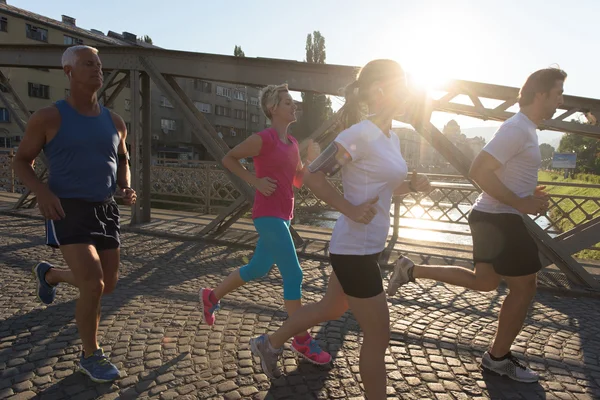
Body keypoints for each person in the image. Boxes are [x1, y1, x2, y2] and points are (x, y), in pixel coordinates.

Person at [249, 60, 431, 399]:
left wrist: (413, 185)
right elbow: (314, 175)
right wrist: (348, 209)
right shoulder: (359, 135)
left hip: (363, 247)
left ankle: (268, 343)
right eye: (403, 85)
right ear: (381, 90)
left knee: (330, 309)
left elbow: (383, 190)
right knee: (378, 337)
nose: (410, 92)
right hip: (355, 253)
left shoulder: (389, 137)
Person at [387, 67, 565, 383]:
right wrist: (521, 202)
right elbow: (479, 170)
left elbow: (500, 174)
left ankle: (410, 270)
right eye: (558, 93)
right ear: (541, 94)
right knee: (525, 286)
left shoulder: (525, 129)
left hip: (492, 215)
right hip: (499, 217)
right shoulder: (518, 129)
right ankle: (498, 358)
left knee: (485, 281)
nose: (560, 100)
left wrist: (527, 195)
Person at [13, 45, 136, 383]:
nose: (97, 69)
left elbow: (123, 159)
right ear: (68, 71)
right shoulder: (49, 117)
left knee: (106, 285)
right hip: (67, 208)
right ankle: (90, 355)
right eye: (87, 64)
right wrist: (42, 191)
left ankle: (50, 275)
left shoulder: (115, 121)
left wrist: (125, 186)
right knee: (94, 284)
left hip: (105, 209)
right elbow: (21, 161)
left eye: (98, 64)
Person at [198, 83, 331, 366]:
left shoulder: (293, 144)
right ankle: (301, 339)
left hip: (284, 214)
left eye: (293, 102)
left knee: (257, 268)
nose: (294, 106)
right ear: (272, 108)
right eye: (287, 102)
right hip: (267, 214)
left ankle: (211, 296)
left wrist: (308, 162)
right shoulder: (263, 139)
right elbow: (228, 158)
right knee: (294, 276)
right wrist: (255, 181)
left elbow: (297, 180)